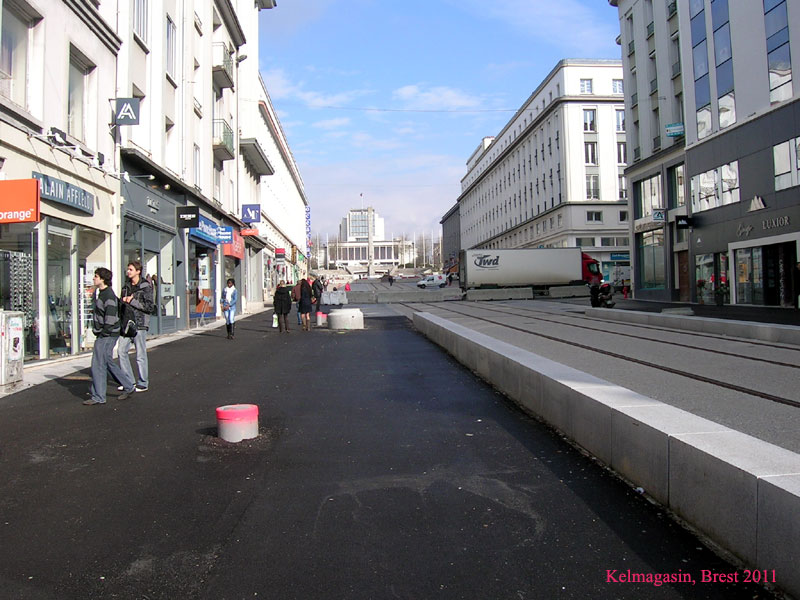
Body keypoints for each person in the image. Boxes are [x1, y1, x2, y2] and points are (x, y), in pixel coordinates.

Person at [84, 268, 135, 405]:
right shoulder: (103, 294)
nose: (93, 279)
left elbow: (111, 318)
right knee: (106, 361)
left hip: (107, 334)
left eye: (96, 276)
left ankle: (99, 396)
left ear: (102, 279)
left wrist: (103, 332)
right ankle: (129, 386)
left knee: (98, 364)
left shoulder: (107, 295)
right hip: (108, 333)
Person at [117, 261, 154, 393]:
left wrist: (132, 301)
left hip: (140, 324)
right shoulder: (126, 287)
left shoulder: (145, 287)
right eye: (128, 269)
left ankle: (143, 382)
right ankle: (128, 381)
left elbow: (149, 307)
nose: (128, 272)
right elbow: (122, 303)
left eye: (131, 269)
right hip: (127, 323)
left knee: (140, 354)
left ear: (138, 271)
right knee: (121, 351)